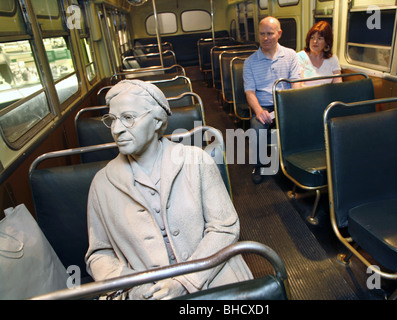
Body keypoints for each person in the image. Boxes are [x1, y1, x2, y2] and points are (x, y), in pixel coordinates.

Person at [85, 79, 253, 300]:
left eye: (128, 118)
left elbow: (225, 228)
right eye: (112, 120)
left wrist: (185, 282)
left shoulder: (197, 161)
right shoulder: (102, 183)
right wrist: (133, 288)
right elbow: (99, 254)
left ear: (156, 121)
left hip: (214, 280)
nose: (116, 130)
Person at [243, 16, 302, 184]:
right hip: (264, 106)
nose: (265, 38)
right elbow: (249, 92)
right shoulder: (250, 62)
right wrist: (259, 111)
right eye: (262, 34)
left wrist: (290, 105)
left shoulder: (290, 55)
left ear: (279, 34)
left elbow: (295, 83)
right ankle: (259, 165)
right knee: (257, 128)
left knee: (300, 125)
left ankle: (293, 163)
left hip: (286, 103)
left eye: (270, 33)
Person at [297, 21, 341, 87]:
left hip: (327, 96)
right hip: (306, 95)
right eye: (312, 37)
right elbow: (299, 86)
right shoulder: (300, 57)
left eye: (320, 38)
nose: (315, 41)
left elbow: (338, 84)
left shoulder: (333, 58)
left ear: (327, 42)